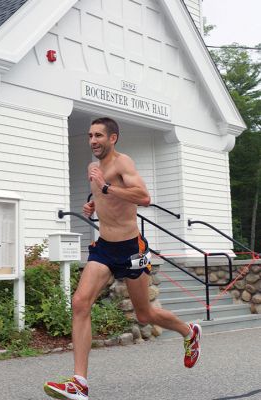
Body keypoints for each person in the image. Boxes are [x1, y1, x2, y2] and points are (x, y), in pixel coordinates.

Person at [44, 117, 202, 400]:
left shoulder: (123, 163)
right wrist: (93, 204)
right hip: (104, 247)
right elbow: (104, 196)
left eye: (99, 136)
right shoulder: (92, 167)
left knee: (145, 314)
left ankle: (189, 332)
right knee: (80, 302)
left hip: (132, 249)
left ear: (113, 138)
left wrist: (106, 189)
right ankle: (79, 382)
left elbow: (143, 196)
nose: (93, 140)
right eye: (90, 135)